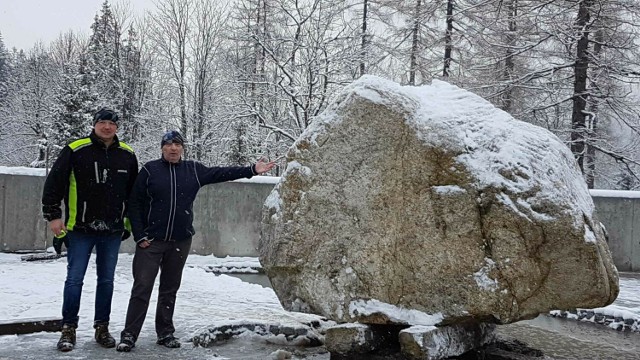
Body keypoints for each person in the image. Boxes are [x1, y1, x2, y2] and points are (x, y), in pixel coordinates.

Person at [117, 130, 275, 352]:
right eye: (169, 144)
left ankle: (165, 332)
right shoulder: (149, 170)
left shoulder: (193, 170)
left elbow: (221, 173)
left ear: (182, 148)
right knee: (142, 287)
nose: (173, 148)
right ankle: (129, 334)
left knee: (170, 288)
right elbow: (134, 204)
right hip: (152, 242)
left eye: (177, 144)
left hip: (180, 241)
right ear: (162, 147)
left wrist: (251, 170)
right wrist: (140, 235)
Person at [41, 108, 139, 352]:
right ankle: (68, 328)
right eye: (102, 122)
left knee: (106, 281)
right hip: (80, 229)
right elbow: (54, 183)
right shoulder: (76, 149)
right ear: (94, 124)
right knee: (74, 279)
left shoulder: (127, 154)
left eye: (111, 123)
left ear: (117, 127)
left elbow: (133, 194)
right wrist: (53, 215)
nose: (107, 127)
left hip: (112, 231)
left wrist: (127, 224)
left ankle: (102, 327)